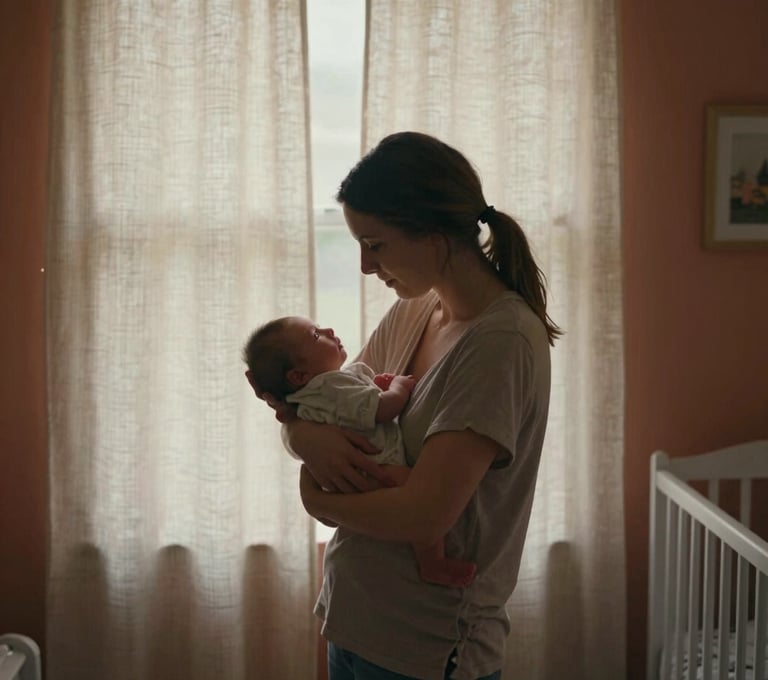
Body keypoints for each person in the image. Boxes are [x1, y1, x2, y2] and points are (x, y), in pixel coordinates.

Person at [273, 131, 560, 680]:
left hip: (427, 649)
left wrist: (318, 501)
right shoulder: (419, 309)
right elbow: (324, 403)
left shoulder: (501, 342)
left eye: (375, 244)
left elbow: (426, 513)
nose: (363, 265)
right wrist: (301, 437)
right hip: (355, 621)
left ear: (432, 235)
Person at [243, 315, 478, 588]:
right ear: (299, 376)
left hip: (354, 488)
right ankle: (431, 562)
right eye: (316, 335)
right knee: (416, 491)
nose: (328, 329)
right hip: (373, 466)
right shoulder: (331, 386)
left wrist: (317, 499)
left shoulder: (312, 393)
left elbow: (295, 418)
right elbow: (382, 408)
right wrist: (399, 387)